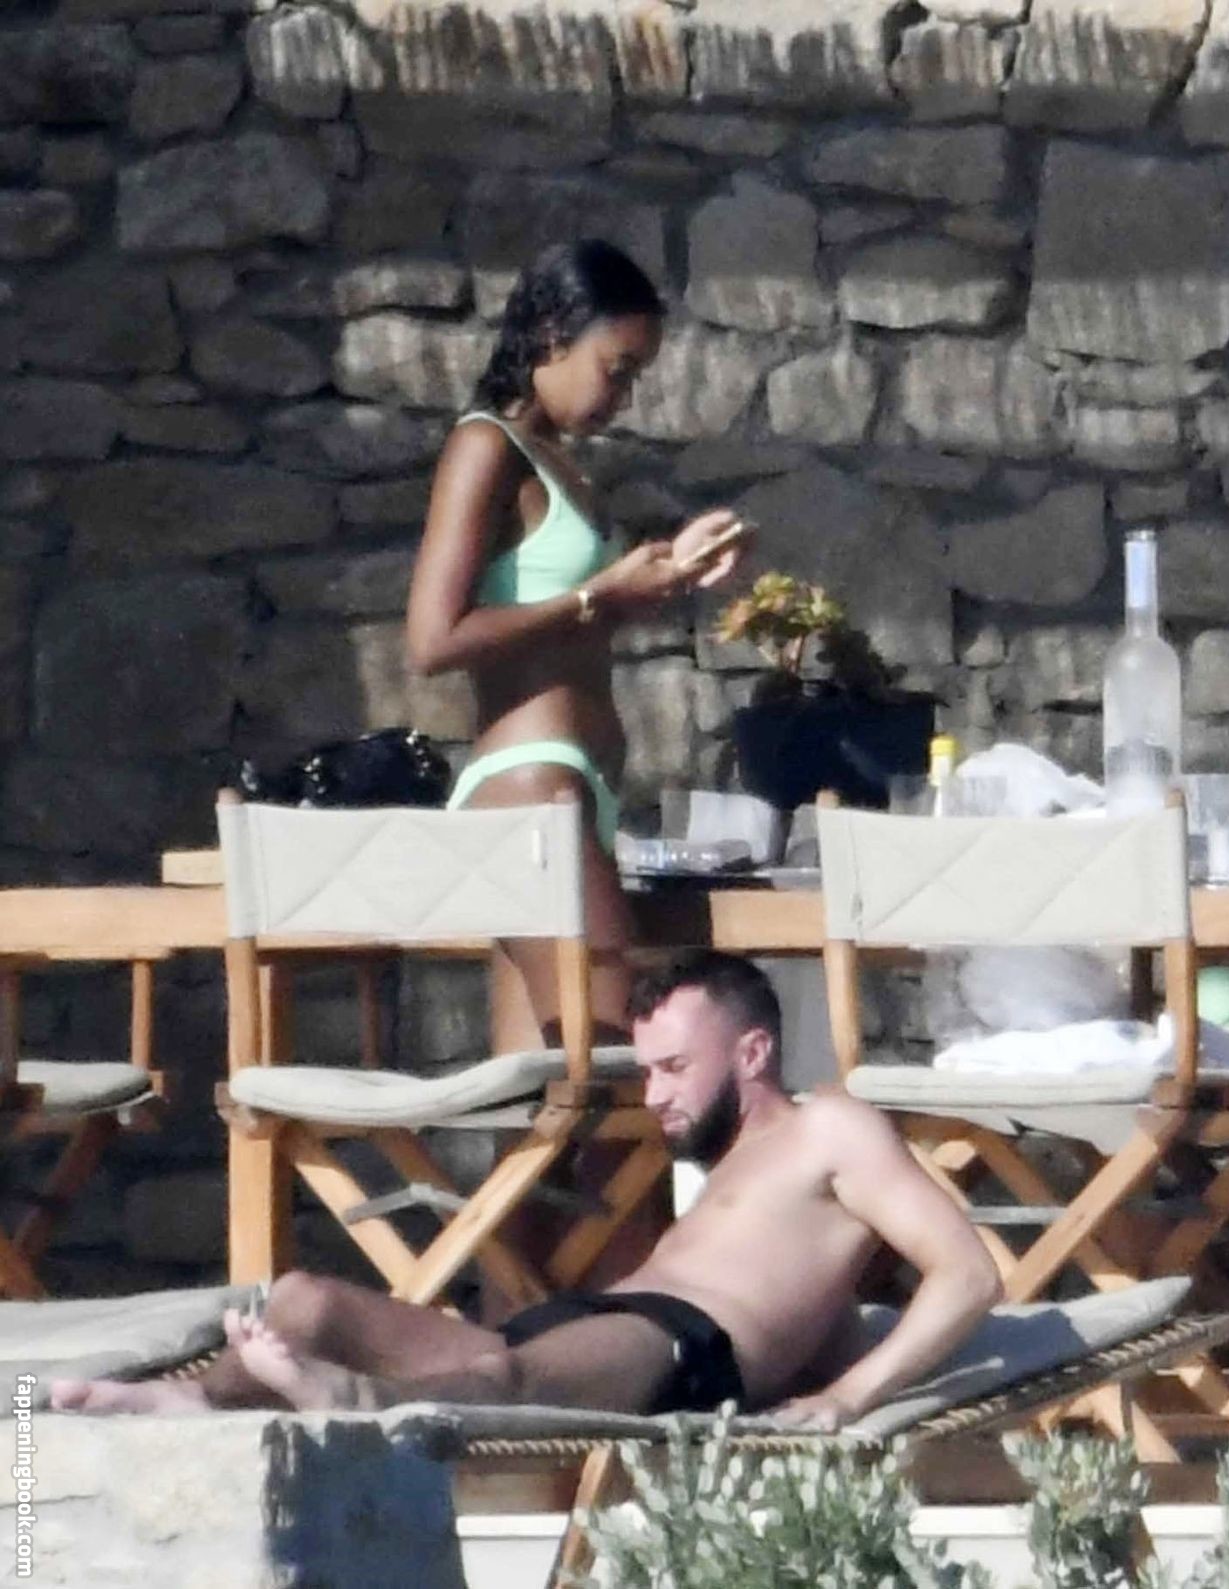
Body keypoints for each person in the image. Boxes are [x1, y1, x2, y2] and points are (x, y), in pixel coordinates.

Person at [51, 954, 1004, 1429]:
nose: (653, 1095)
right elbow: (808, 1296)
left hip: (681, 1347)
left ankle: (352, 1400)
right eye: (648, 1070)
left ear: (754, 1052)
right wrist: (822, 1349)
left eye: (675, 1067)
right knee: (304, 1300)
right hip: (596, 1324)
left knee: (506, 1385)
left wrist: (847, 1397)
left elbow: (968, 1273)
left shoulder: (831, 1125)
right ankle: (196, 1401)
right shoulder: (728, 1164)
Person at [405, 239, 748, 1052]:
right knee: (619, 1066)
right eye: (615, 369)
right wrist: (597, 595)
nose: (622, 397)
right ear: (553, 335)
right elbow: (432, 639)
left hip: (571, 792)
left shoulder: (561, 467)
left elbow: (566, 629)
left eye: (636, 378)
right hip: (527, 789)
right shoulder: (485, 447)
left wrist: (664, 574)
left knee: (548, 1098)